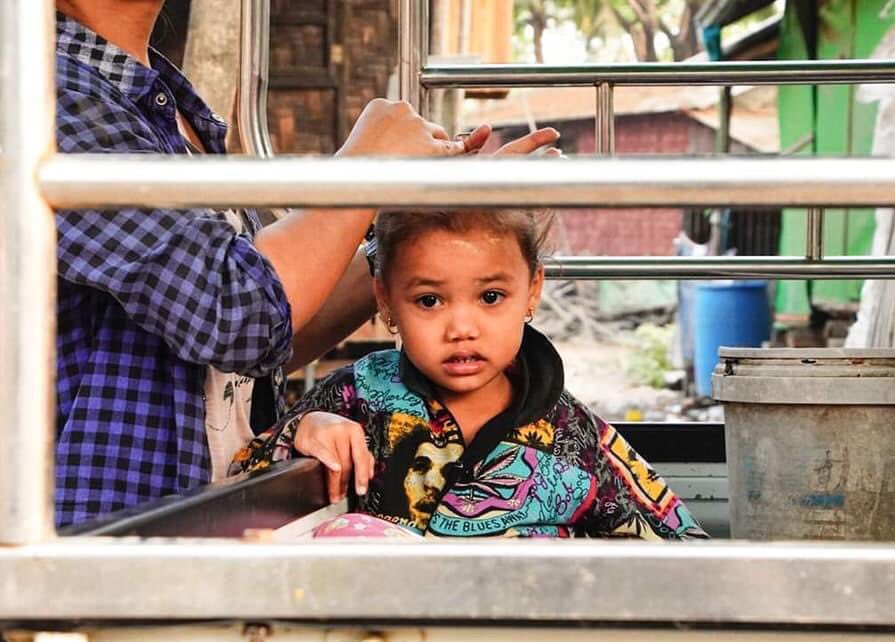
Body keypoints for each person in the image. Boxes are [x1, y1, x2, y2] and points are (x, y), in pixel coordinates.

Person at [54, 0, 559, 528]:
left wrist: (435, 244)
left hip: (214, 521)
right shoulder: (44, 97)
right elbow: (236, 312)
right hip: (108, 541)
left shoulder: (162, 105)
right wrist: (364, 172)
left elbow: (265, 341)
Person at [231, 210, 708, 539]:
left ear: (532, 290)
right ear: (385, 299)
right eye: (429, 301)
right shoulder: (358, 395)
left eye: (491, 297)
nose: (462, 328)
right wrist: (306, 430)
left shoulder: (574, 435)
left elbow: (676, 540)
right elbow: (242, 479)